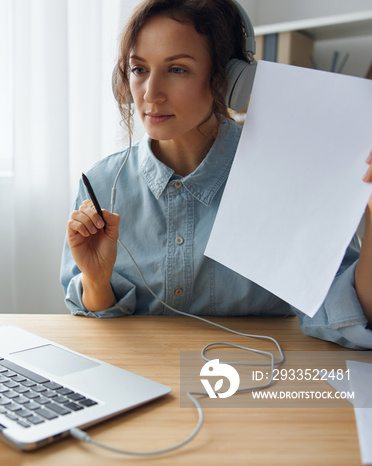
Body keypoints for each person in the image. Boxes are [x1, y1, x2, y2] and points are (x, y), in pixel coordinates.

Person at [60, 0, 372, 349]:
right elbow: (99, 336)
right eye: (139, 69)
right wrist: (96, 279)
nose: (150, 94)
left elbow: (350, 318)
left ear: (230, 79)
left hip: (257, 384)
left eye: (177, 69)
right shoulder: (102, 183)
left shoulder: (288, 175)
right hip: (143, 384)